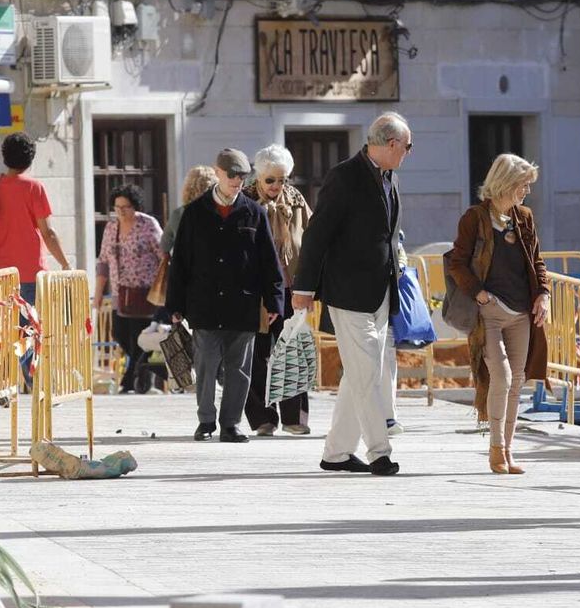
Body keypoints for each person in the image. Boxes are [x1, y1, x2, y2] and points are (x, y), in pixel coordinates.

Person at [292, 113, 412, 477]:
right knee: (367, 375)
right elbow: (317, 234)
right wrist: (304, 287)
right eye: (407, 146)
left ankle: (337, 452)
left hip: (380, 292)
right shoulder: (344, 176)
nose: (408, 152)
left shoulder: (389, 178)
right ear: (391, 144)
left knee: (363, 372)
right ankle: (380, 451)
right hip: (348, 293)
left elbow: (388, 236)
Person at [166, 149, 283, 442]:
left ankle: (230, 424)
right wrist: (175, 304)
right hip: (204, 303)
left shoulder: (254, 212)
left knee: (239, 369)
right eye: (231, 175)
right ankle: (206, 421)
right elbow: (180, 262)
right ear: (218, 172)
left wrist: (273, 301)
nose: (237, 181)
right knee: (205, 366)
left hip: (242, 304)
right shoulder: (194, 213)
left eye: (243, 176)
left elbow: (269, 261)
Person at [448, 154, 550, 474]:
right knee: (501, 378)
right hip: (489, 313)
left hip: (521, 313)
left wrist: (544, 295)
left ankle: (508, 451)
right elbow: (456, 262)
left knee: (517, 381)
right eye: (523, 185)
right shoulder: (474, 218)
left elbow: (537, 262)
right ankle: (495, 448)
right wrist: (478, 292)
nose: (526, 192)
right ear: (505, 184)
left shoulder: (525, 218)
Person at [244, 145, 314, 436]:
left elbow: (310, 242)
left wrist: (309, 286)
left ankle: (294, 418)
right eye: (270, 180)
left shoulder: (297, 201)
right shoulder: (245, 202)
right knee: (257, 354)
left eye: (282, 179)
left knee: (293, 350)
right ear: (259, 177)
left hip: (290, 288)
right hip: (256, 290)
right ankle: (262, 418)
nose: (276, 186)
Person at [92, 184, 165, 393]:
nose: (121, 212)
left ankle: (131, 381)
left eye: (126, 207)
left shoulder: (148, 225)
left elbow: (163, 257)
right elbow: (103, 262)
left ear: (136, 206)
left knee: (140, 338)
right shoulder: (111, 228)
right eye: (117, 207)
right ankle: (139, 377)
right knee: (120, 333)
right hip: (119, 292)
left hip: (145, 293)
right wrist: (98, 293)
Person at [0, 132, 69, 305]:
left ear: (5, 156)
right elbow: (48, 233)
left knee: (9, 331)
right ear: (30, 159)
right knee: (32, 330)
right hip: (31, 275)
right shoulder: (33, 187)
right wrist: (65, 264)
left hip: (2, 273)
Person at [162, 165, 218, 255]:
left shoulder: (178, 214)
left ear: (187, 188)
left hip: (186, 266)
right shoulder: (221, 213)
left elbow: (165, 245)